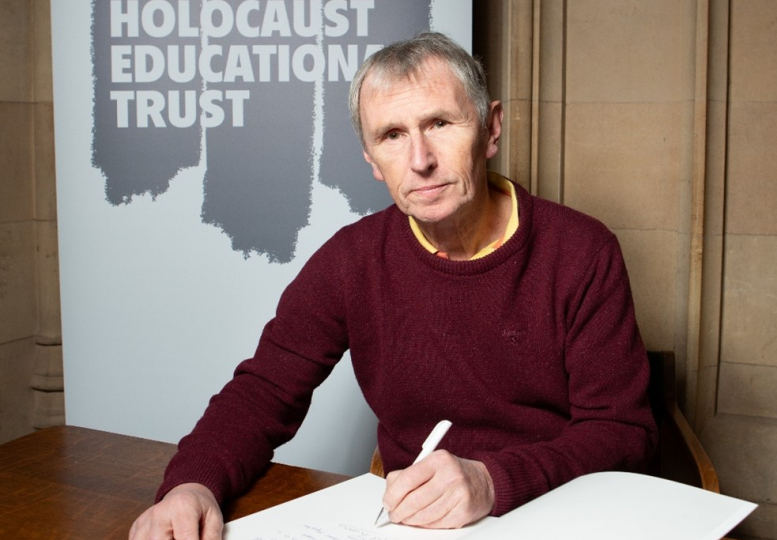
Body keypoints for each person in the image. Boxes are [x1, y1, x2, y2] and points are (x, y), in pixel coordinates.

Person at [129, 32, 657, 540]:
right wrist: (191, 483)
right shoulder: (351, 260)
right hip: (414, 526)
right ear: (370, 159)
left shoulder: (582, 251)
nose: (420, 160)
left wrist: (492, 481)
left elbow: (623, 432)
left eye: (441, 124)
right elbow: (265, 391)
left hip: (560, 516)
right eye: (392, 135)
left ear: (491, 128)